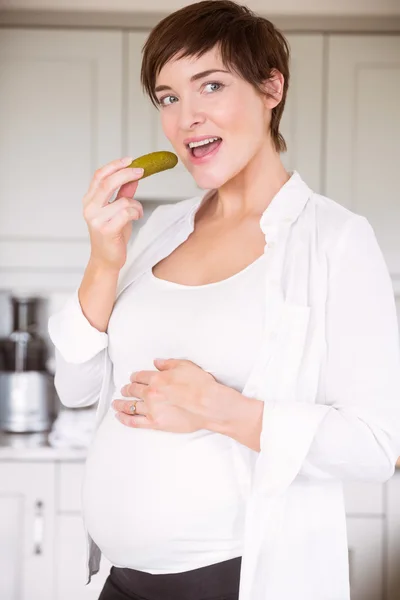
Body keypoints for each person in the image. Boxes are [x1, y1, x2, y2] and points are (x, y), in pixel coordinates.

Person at [48, 1, 400, 599]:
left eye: (211, 84)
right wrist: (103, 260)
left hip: (238, 579)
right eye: (167, 97)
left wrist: (219, 408)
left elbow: (377, 447)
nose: (187, 117)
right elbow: (75, 390)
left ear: (271, 87)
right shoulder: (159, 229)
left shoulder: (335, 240)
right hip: (118, 579)